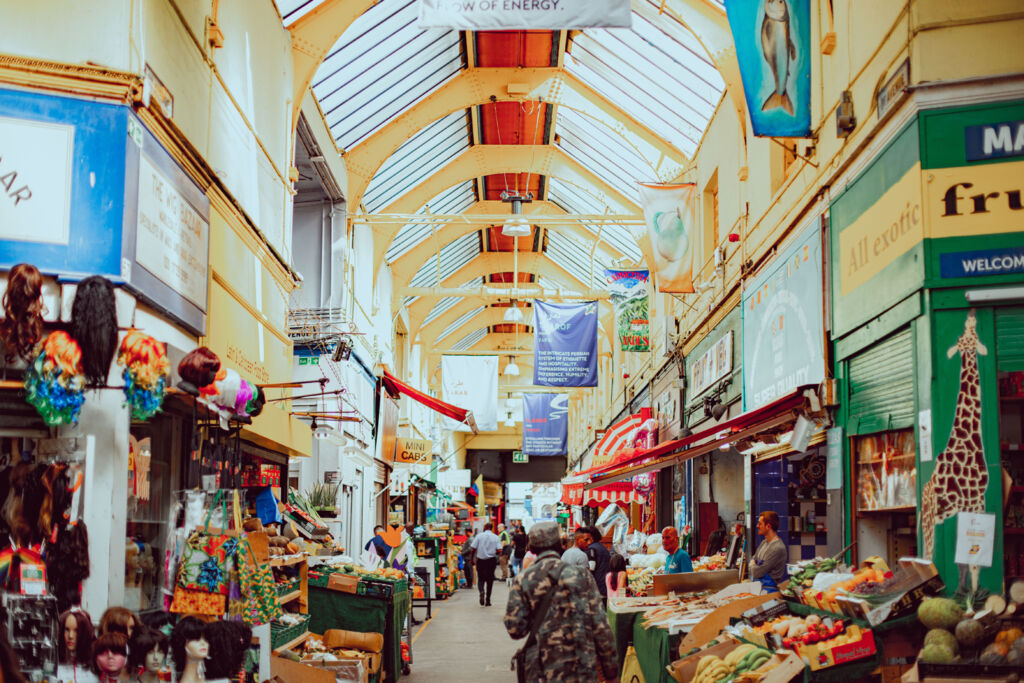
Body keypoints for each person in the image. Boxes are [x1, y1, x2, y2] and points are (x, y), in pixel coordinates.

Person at [504, 521, 620, 683]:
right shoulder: (582, 576)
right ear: (560, 545)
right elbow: (600, 627)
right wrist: (611, 672)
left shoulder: (523, 580)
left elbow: (515, 629)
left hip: (542, 669)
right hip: (582, 666)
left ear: (532, 547)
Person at [751, 511, 788, 591]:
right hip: (758, 588)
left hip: (769, 591)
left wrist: (754, 564)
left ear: (768, 526)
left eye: (760, 524)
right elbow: (752, 559)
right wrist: (754, 564)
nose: (757, 526)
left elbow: (756, 573)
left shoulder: (777, 548)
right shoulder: (764, 542)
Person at [471, 522, 501, 606]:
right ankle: (488, 601)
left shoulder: (479, 536)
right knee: (489, 581)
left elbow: (473, 549)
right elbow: (499, 550)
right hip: (491, 561)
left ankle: (481, 591)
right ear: (491, 528)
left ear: (485, 527)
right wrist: (495, 554)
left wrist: (471, 559)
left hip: (481, 561)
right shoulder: (496, 537)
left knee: (480, 579)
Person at [584, 526, 611, 601]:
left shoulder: (591, 549)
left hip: (598, 587)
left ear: (590, 538)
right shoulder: (601, 547)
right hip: (605, 586)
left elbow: (591, 569)